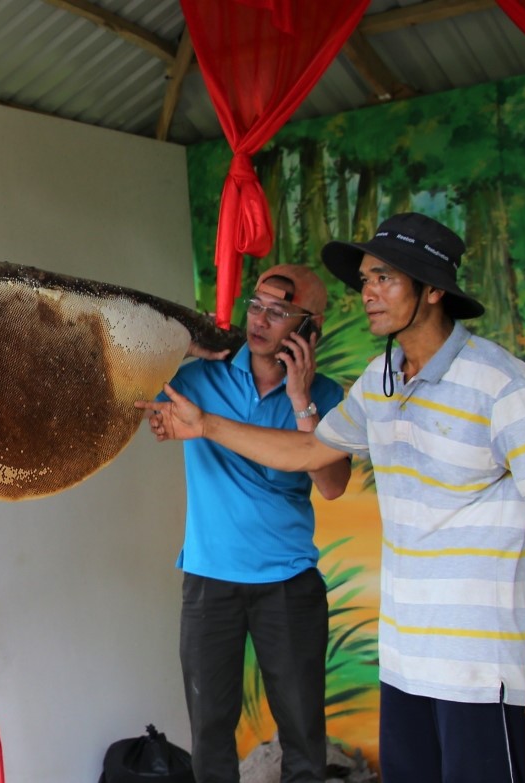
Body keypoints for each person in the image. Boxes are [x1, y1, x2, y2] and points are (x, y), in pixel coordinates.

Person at [142, 213, 525, 783]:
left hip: (481, 674)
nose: (368, 294)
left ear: (433, 290)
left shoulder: (503, 384)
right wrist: (205, 424)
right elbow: (311, 451)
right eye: (365, 280)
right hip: (403, 667)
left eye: (385, 278)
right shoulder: (380, 380)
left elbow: (325, 476)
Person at [150, 265, 350, 783]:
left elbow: (332, 484)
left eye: (278, 312)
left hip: (288, 580)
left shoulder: (326, 396)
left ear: (310, 327)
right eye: (256, 305)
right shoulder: (198, 379)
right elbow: (124, 379)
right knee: (210, 732)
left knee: (302, 731)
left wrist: (301, 399)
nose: (259, 320)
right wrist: (185, 346)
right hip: (209, 576)